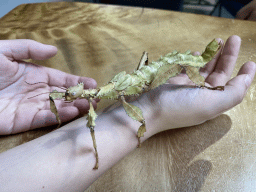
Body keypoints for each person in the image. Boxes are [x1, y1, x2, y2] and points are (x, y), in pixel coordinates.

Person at [0, 35, 255, 191]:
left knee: (177, 65)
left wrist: (150, 112)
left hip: (152, 74)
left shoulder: (109, 91)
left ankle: (196, 80)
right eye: (71, 95)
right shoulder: (100, 94)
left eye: (71, 94)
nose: (70, 96)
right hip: (139, 81)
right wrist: (154, 110)